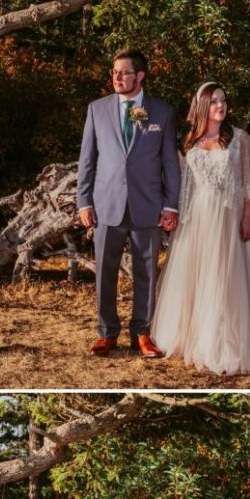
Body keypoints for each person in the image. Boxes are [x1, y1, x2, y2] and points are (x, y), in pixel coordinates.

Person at [150, 82, 250, 375]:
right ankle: (192, 337)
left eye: (223, 100)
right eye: (214, 101)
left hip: (228, 219)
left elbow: (248, 184)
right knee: (196, 278)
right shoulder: (187, 142)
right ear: (203, 106)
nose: (221, 105)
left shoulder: (239, 139)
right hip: (196, 220)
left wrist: (247, 217)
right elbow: (179, 184)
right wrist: (171, 214)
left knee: (225, 279)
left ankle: (223, 344)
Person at [77, 50, 181, 358]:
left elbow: (170, 165)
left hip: (148, 205)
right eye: (114, 72)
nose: (117, 77)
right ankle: (106, 333)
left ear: (140, 76)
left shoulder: (161, 113)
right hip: (106, 205)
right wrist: (84, 201)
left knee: (146, 273)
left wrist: (170, 205)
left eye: (124, 72)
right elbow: (87, 160)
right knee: (104, 273)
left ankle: (143, 333)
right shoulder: (97, 109)